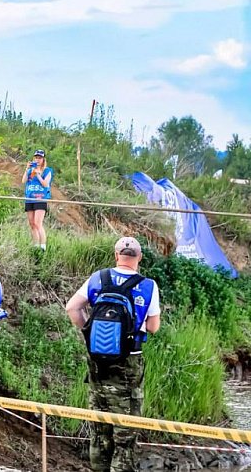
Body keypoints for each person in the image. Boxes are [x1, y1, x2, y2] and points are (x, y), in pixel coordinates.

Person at [65, 237, 161, 472]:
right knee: (125, 436)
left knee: (99, 432)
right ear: (139, 258)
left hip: (98, 361)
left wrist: (90, 332)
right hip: (129, 363)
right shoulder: (148, 285)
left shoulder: (98, 278)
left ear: (116, 255)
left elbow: (72, 308)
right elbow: (153, 327)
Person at [21, 149, 53, 249]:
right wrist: (27, 169)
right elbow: (23, 181)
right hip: (30, 198)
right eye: (36, 158)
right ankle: (36, 246)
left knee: (38, 223)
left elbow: (45, 184)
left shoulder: (47, 170)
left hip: (40, 198)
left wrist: (38, 174)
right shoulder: (30, 170)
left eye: (40, 158)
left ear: (43, 159)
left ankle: (42, 247)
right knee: (32, 224)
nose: (37, 160)